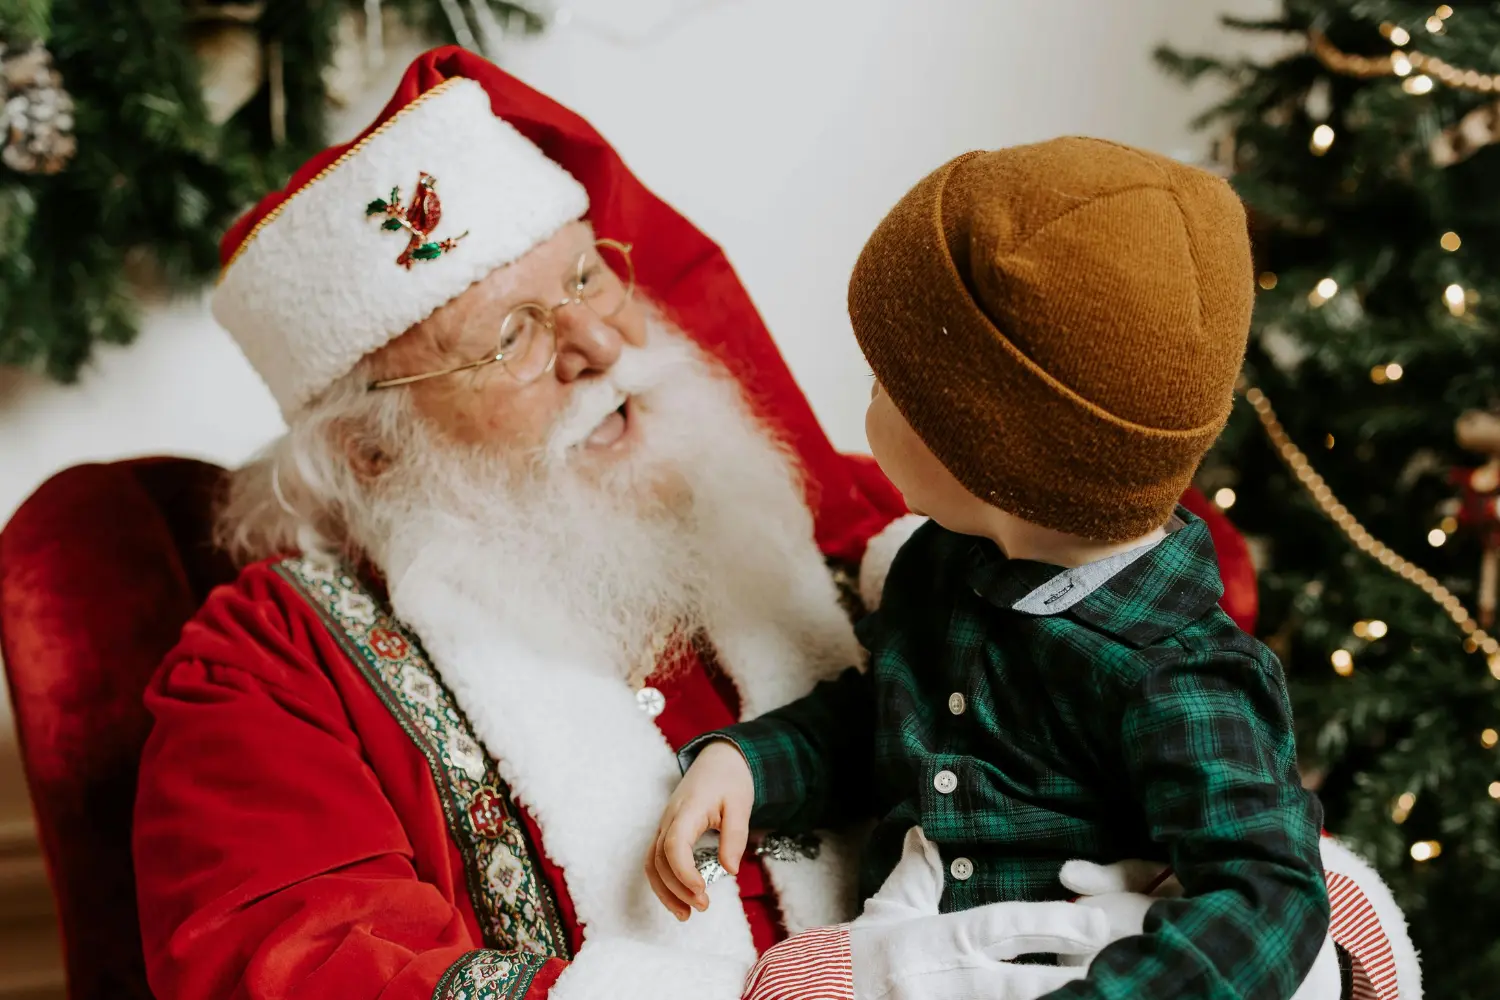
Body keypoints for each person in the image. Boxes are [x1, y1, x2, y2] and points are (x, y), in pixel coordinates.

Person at [132, 47, 1411, 1000]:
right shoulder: (271, 671)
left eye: (585, 274)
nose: (601, 343)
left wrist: (1280, 921)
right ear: (368, 443)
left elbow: (1124, 647)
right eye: (510, 335)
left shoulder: (814, 505)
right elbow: (286, 963)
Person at [650, 141, 1406, 1000]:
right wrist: (749, 764)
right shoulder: (938, 566)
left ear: (987, 451)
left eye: (884, 383)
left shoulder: (1179, 673)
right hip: (923, 946)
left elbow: (1268, 899)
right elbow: (885, 722)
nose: (865, 402)